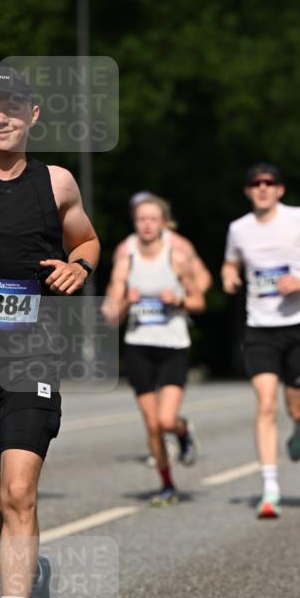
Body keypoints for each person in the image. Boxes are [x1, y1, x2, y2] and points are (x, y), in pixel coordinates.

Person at [0, 68, 100, 598]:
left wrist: (79, 266)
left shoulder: (57, 182)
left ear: (33, 116)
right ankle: (33, 577)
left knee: (21, 492)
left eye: (13, 108)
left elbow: (89, 240)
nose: (2, 117)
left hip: (33, 350)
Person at [222, 163, 300, 519]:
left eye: (269, 183)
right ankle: (270, 488)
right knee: (264, 404)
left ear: (280, 189)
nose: (262, 188)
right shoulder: (238, 229)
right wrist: (229, 276)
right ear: (248, 191)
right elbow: (230, 264)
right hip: (259, 327)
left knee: (295, 404)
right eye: (255, 183)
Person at [103, 194, 208, 504]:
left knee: (165, 421)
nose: (146, 225)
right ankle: (167, 485)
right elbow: (110, 315)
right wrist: (124, 301)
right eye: (141, 220)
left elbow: (199, 301)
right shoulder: (127, 258)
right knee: (151, 425)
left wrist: (179, 300)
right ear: (135, 223)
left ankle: (182, 430)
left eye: (152, 219)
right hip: (138, 347)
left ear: (164, 223)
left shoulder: (176, 257)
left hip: (172, 345)